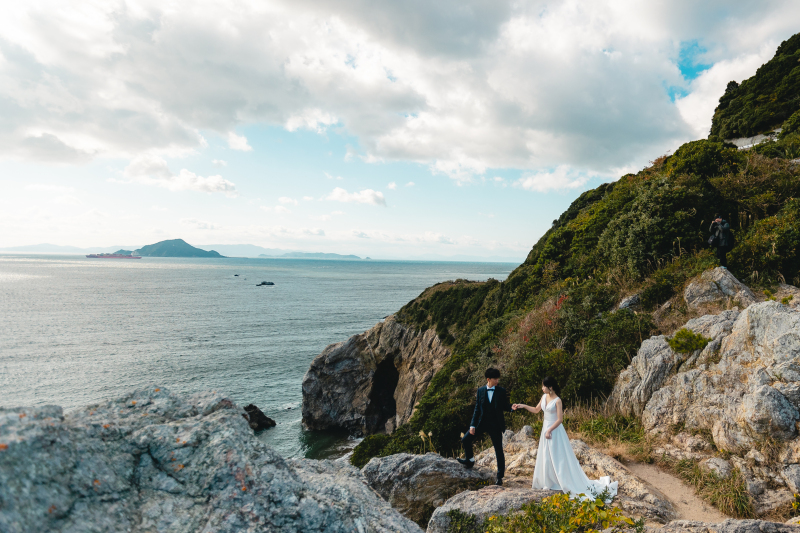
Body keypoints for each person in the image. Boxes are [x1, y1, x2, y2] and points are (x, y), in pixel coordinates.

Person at [512, 377, 617, 501]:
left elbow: (560, 419)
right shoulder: (544, 397)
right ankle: (548, 481)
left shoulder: (557, 401)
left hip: (555, 430)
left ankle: (561, 480)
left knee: (558, 456)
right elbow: (536, 410)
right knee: (546, 455)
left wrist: (549, 430)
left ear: (550, 387)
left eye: (544, 386)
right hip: (545, 428)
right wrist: (522, 406)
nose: (542, 388)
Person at [457, 368, 513, 485]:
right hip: (481, 423)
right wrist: (472, 425)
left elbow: (505, 406)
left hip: (495, 425)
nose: (497, 381)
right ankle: (470, 460)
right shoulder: (480, 390)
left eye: (498, 378)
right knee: (466, 439)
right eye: (495, 379)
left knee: (498, 450)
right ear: (488, 379)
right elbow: (477, 409)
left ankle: (500, 477)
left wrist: (512, 408)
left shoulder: (501, 391)